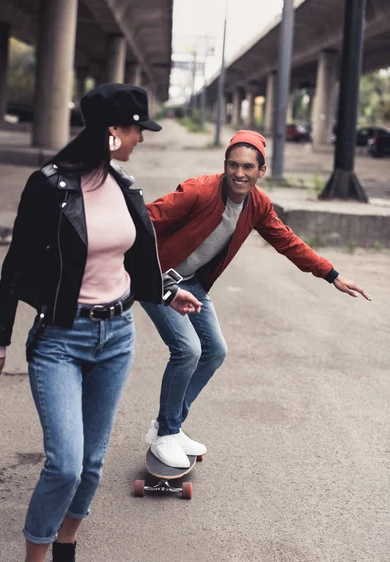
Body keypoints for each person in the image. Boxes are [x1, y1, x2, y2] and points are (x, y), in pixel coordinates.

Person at [0, 83, 201, 562]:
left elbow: (134, 257)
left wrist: (166, 293)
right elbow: (15, 265)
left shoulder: (125, 185)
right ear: (112, 132)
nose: (140, 140)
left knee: (90, 462)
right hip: (61, 336)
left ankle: (67, 542)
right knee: (64, 461)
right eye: (135, 130)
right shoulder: (48, 186)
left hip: (117, 336)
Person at [141, 129, 371, 469]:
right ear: (225, 166)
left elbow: (287, 241)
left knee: (214, 351)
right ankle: (168, 431)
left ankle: (167, 426)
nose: (239, 173)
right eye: (233, 165)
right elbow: (146, 218)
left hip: (195, 283)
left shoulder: (258, 204)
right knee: (188, 349)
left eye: (248, 167)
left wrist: (332, 274)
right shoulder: (198, 191)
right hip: (158, 279)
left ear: (260, 170)